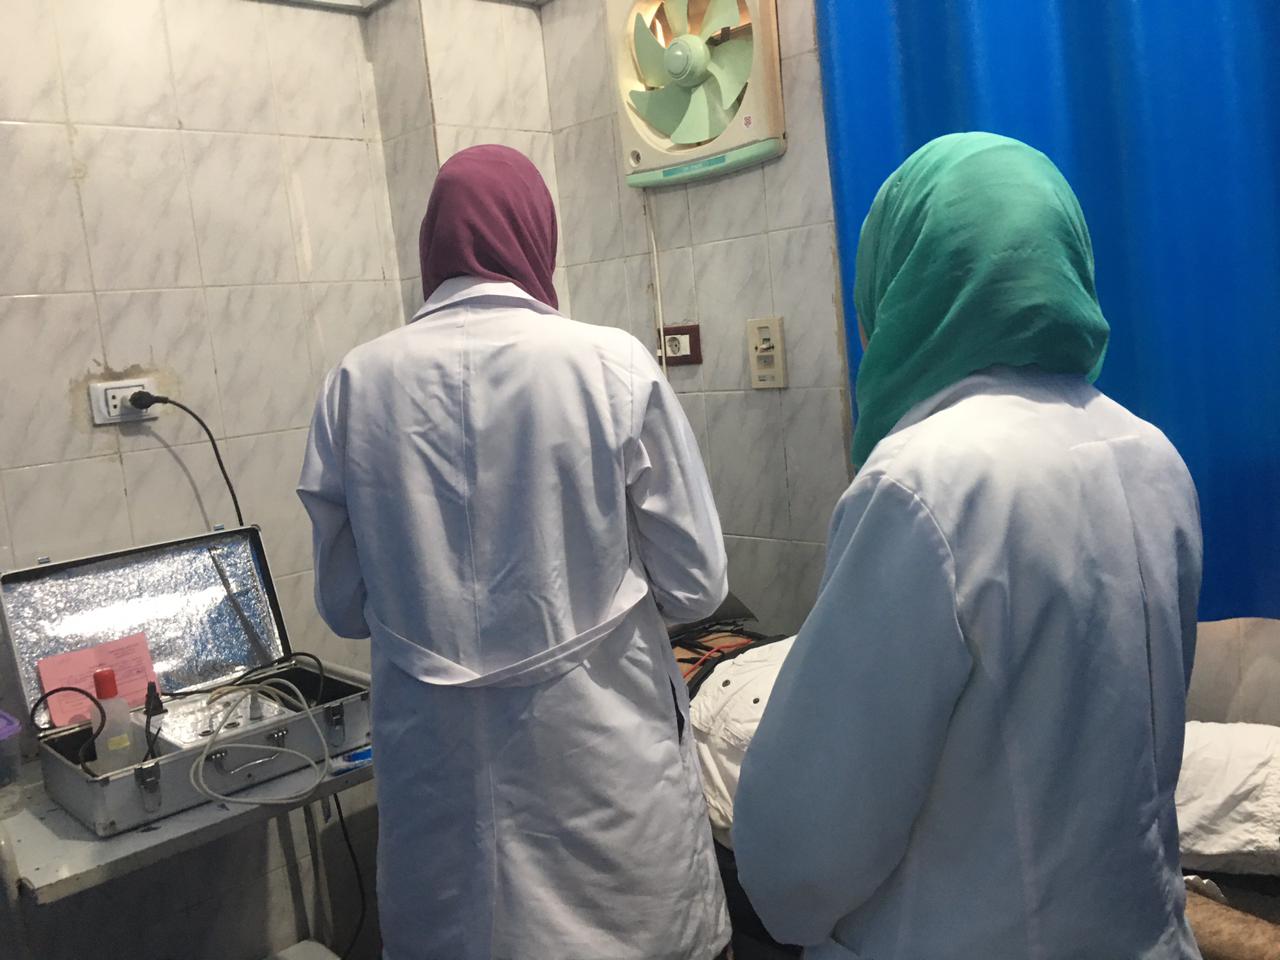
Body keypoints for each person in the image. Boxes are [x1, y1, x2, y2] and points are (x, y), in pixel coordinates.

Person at [732, 133, 1203, 959]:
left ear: (904, 283)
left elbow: (804, 840)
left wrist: (791, 907)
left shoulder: (924, 483)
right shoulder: (1153, 455)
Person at [298, 145, 731, 960]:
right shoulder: (610, 365)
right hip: (600, 766)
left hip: (439, 778)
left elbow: (345, 608)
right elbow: (698, 584)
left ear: (433, 242)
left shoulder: (356, 384)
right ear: (538, 234)